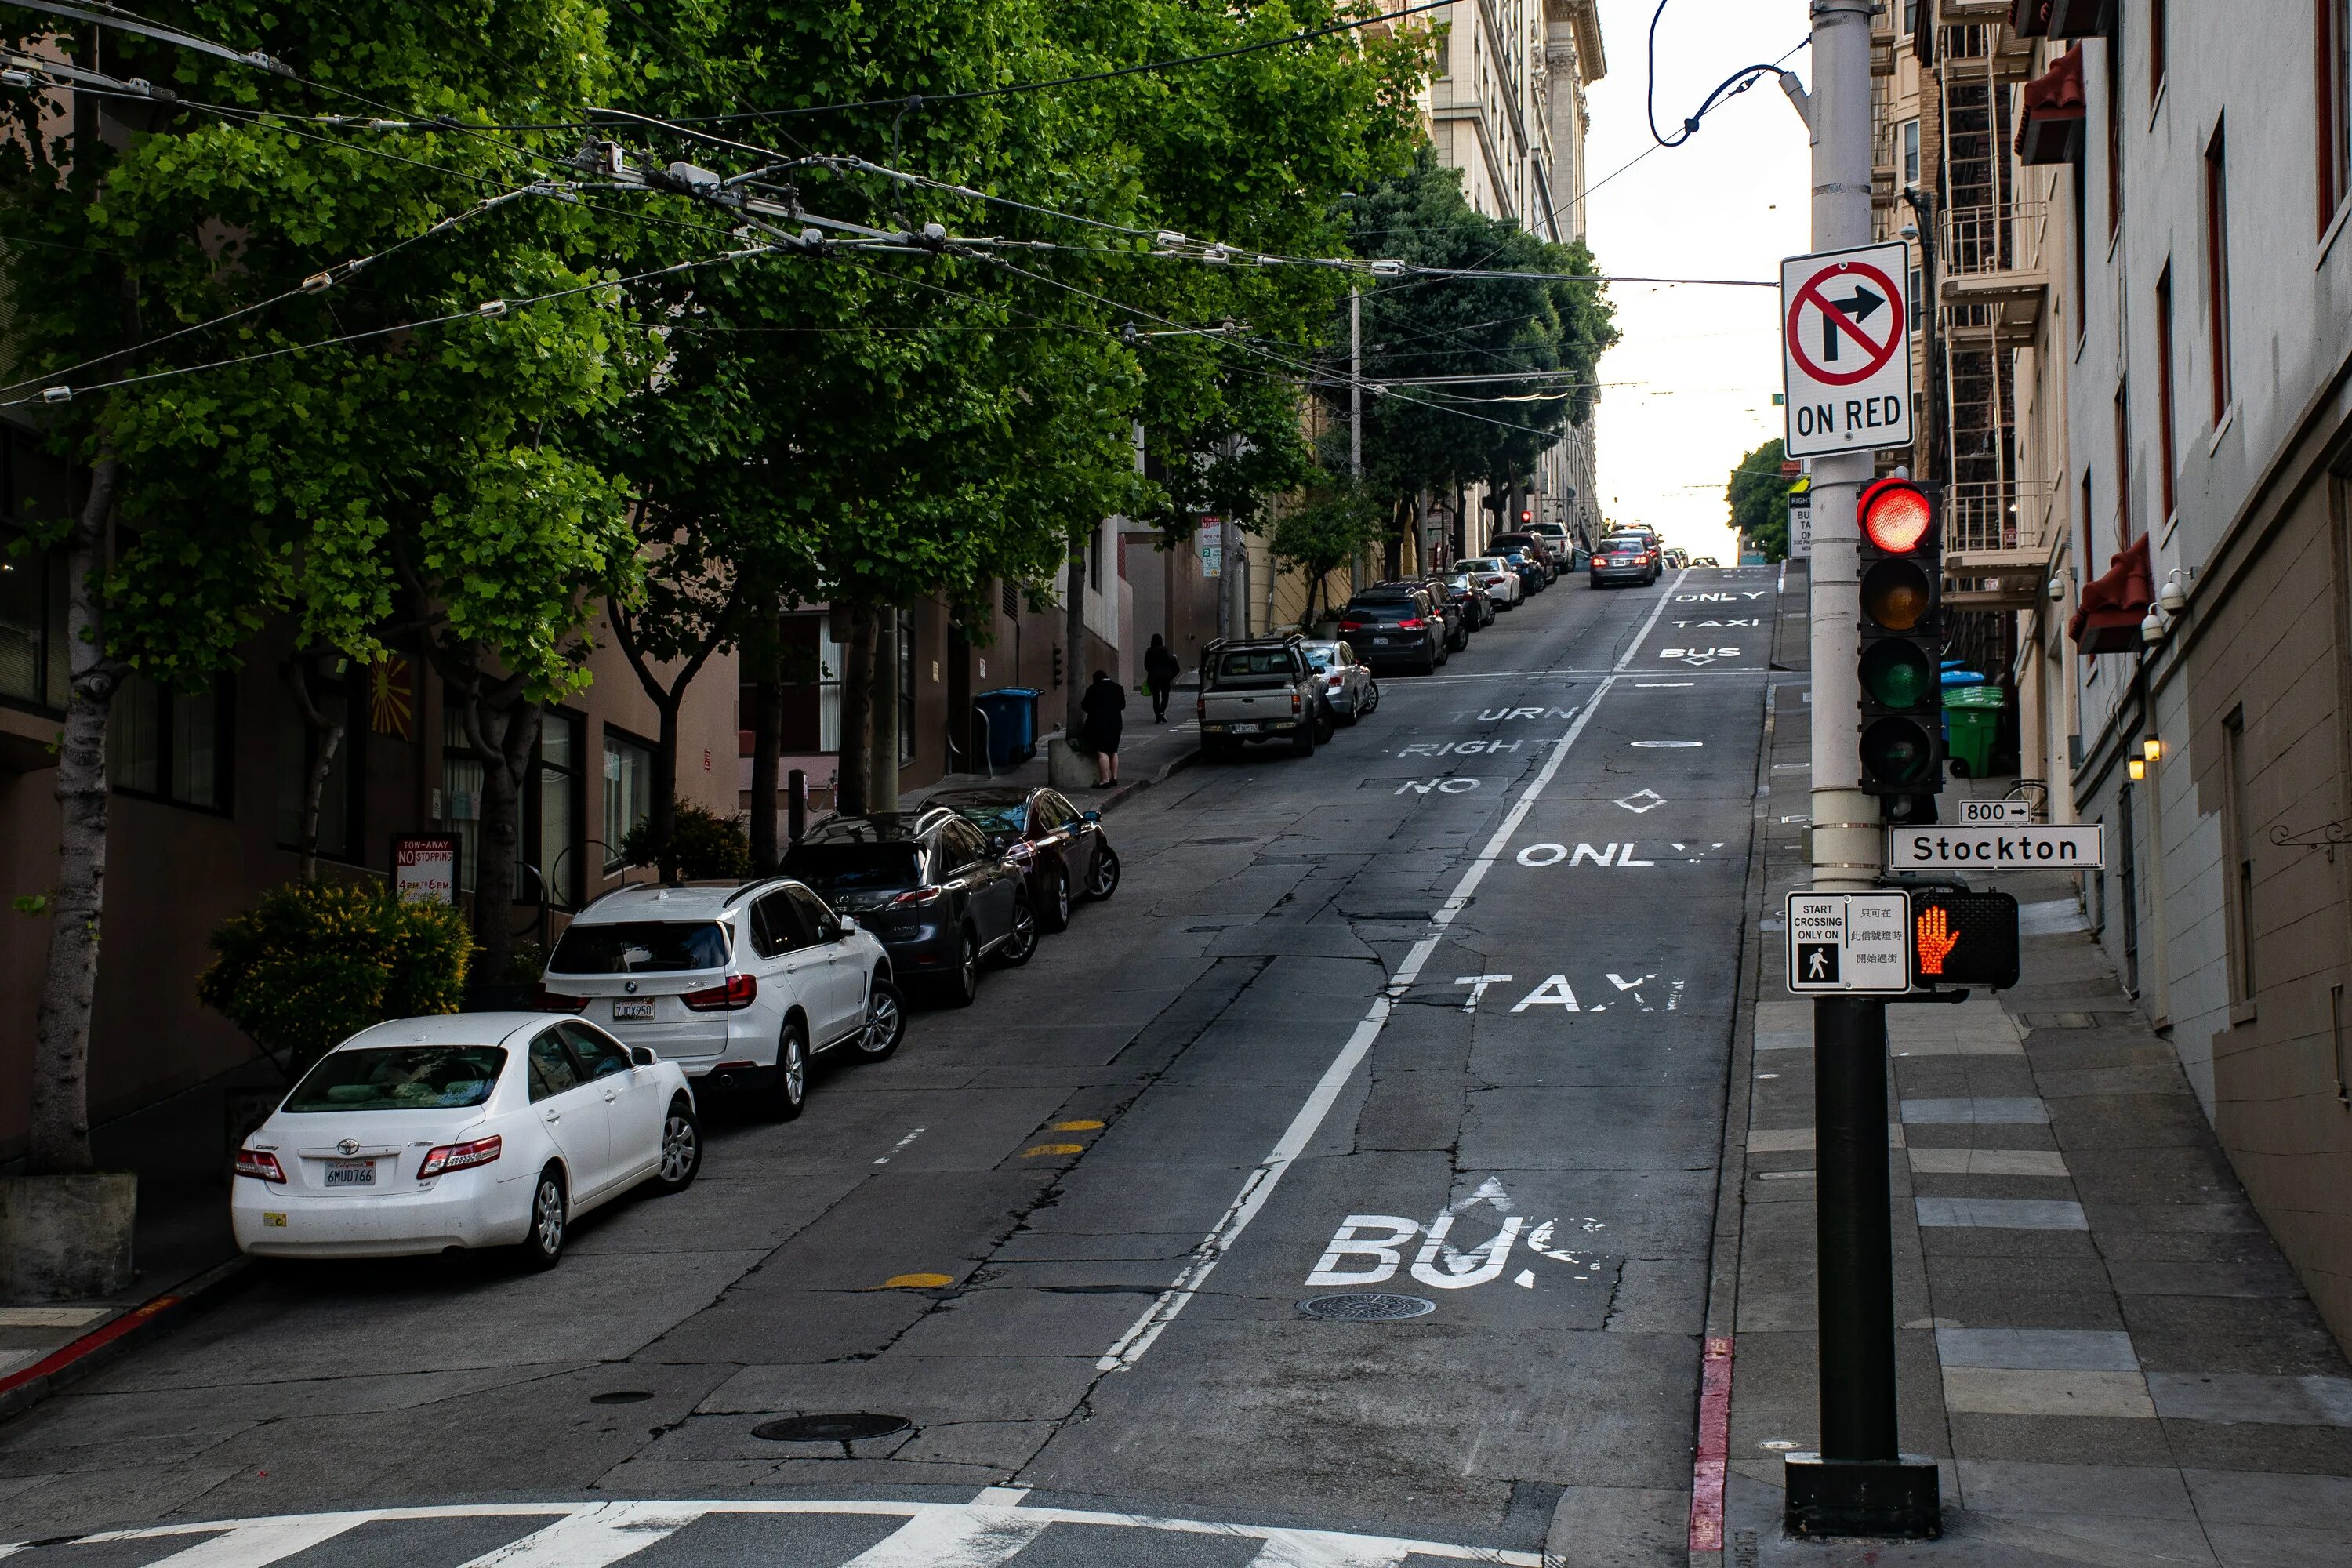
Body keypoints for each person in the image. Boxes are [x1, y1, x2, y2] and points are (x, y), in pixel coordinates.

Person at [1079, 669, 1126, 788]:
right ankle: (1114, 777)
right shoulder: (1118, 688)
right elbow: (1122, 705)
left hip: (1099, 724)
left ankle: (1105, 780)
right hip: (1116, 723)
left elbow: (1085, 706)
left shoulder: (1093, 689)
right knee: (1113, 750)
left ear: (1096, 679)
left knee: (1102, 751)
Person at [1143, 634, 1181, 724]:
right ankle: (1161, 711)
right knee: (1165, 695)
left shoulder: (1149, 651)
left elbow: (1146, 666)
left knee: (1155, 697)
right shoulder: (1164, 650)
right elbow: (1170, 660)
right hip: (1165, 677)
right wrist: (1174, 657)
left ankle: (1158, 715)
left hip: (1153, 677)